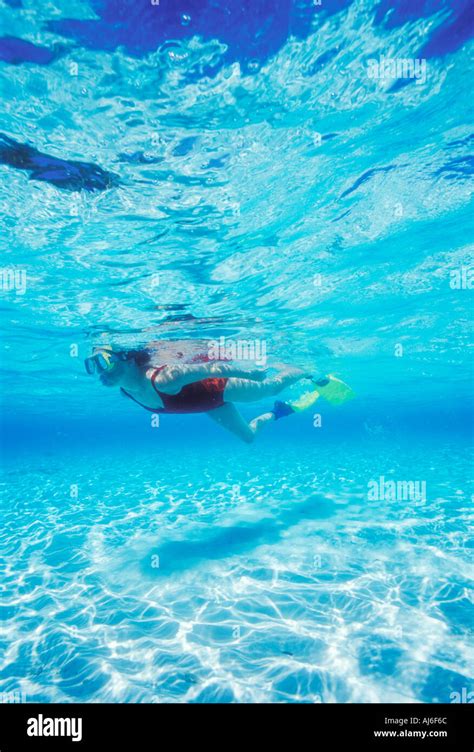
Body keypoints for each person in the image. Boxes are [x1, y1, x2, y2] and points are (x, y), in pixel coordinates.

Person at [84, 344, 328, 443]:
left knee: (269, 387)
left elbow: (211, 368)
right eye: (92, 365)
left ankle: (306, 371)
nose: (99, 372)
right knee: (249, 438)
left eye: (103, 362)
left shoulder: (164, 378)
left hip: (218, 389)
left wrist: (251, 375)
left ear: (127, 359)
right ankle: (279, 412)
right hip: (208, 405)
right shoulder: (126, 390)